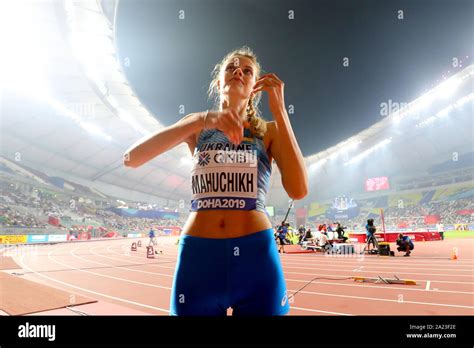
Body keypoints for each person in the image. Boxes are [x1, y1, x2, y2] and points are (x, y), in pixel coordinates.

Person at [123, 46, 308, 316]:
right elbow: (131, 158)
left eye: (247, 71)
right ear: (218, 81)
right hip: (199, 257)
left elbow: (299, 189)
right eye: (231, 68)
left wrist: (280, 111)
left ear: (256, 85)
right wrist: (203, 119)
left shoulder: (268, 131)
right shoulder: (197, 125)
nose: (238, 72)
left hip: (255, 256)